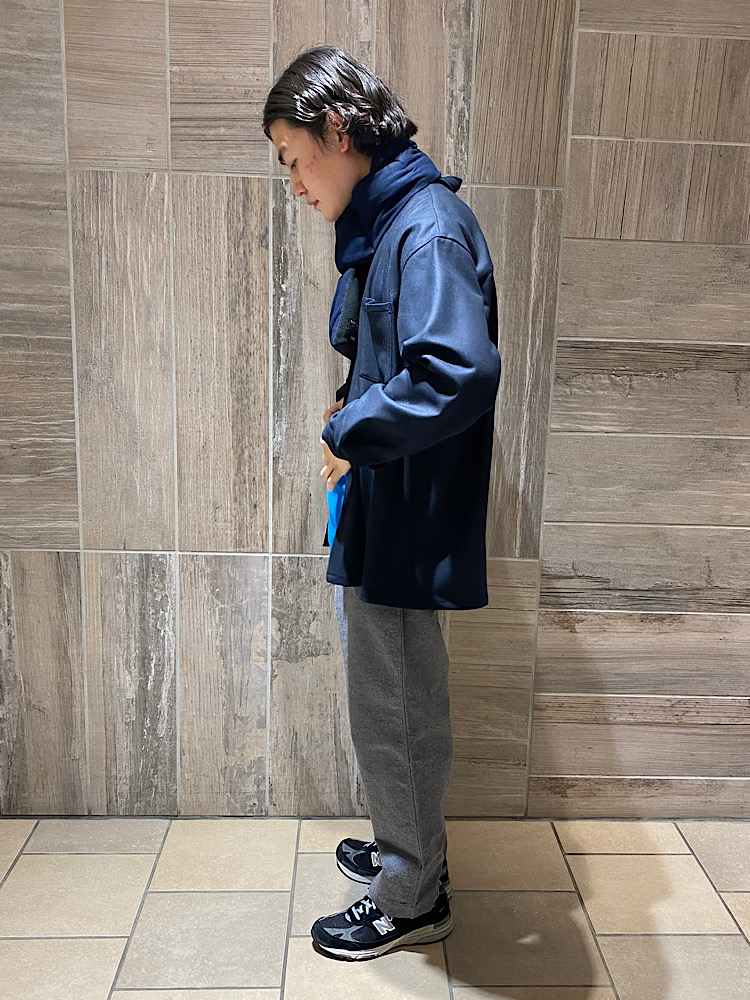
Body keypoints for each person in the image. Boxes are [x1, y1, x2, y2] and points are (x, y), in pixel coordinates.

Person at [263, 45, 501, 961]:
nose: (294, 184)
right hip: (392, 497)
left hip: (406, 507)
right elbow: (405, 358)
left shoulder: (423, 228)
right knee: (395, 690)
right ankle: (411, 847)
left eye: (294, 160)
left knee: (394, 699)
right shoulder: (396, 220)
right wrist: (354, 423)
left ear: (337, 130)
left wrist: (347, 430)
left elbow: (454, 371)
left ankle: (410, 893)